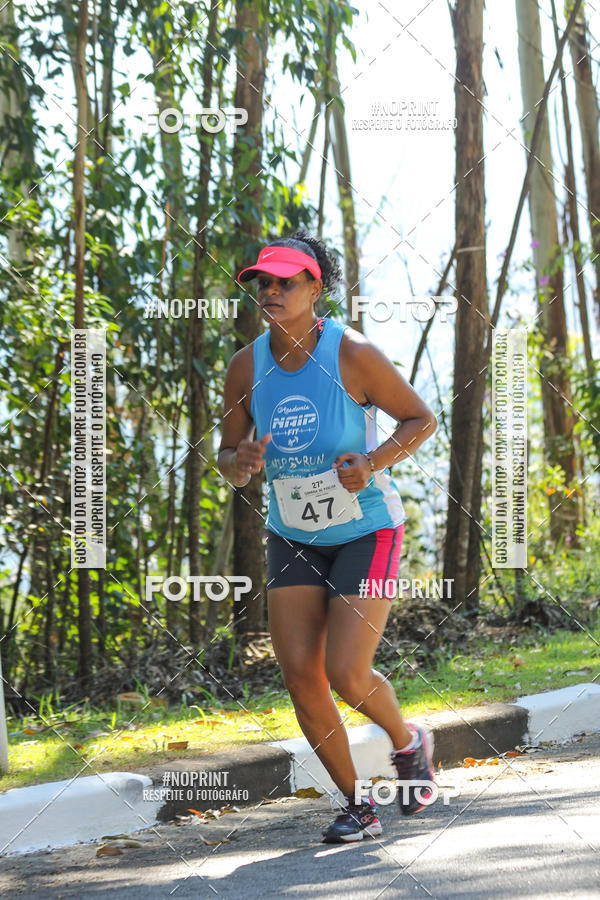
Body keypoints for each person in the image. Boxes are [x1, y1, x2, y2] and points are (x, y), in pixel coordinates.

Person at [217, 230, 438, 843]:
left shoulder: (352, 354)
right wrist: (238, 463)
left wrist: (373, 462)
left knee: (345, 669)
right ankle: (357, 804)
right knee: (300, 673)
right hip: (292, 534)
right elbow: (226, 450)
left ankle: (407, 740)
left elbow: (420, 418)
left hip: (366, 529)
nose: (272, 290)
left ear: (317, 288)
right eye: (264, 281)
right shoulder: (245, 367)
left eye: (286, 281)